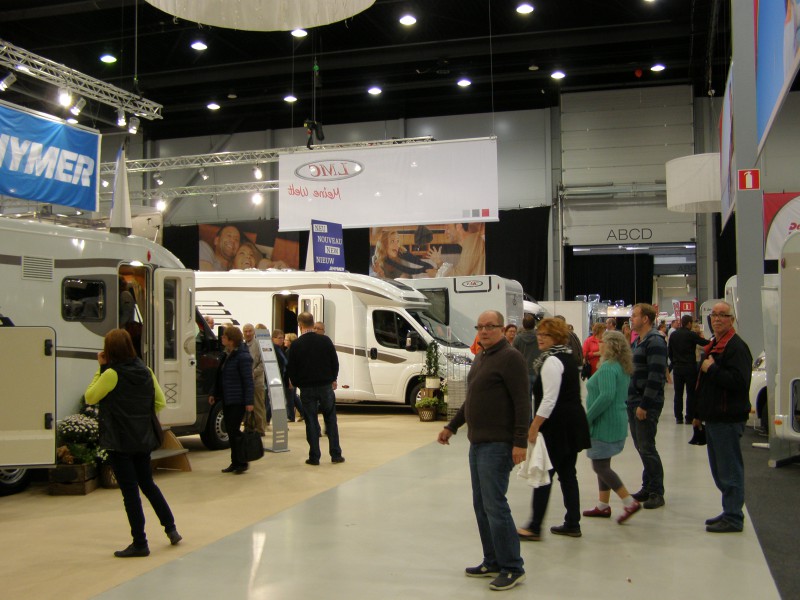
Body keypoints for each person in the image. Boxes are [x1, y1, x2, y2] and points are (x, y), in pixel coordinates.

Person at [437, 310, 529, 591]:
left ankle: (513, 567)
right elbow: (472, 399)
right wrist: (452, 426)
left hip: (498, 445)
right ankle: (492, 560)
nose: (484, 331)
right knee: (482, 506)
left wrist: (520, 442)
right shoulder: (482, 357)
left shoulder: (511, 358)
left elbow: (522, 402)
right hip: (477, 444)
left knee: (495, 506)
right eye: (480, 327)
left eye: (490, 326)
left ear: (502, 329)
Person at [84, 329, 181, 557]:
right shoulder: (146, 371)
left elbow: (90, 397)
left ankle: (140, 543)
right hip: (142, 439)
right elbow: (160, 402)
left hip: (120, 442)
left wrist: (101, 368)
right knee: (148, 485)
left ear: (110, 350)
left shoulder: (111, 374)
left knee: (130, 493)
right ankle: (171, 529)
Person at [517, 317, 591, 541]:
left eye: (545, 335)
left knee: (544, 474)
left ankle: (534, 527)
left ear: (557, 337)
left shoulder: (551, 361)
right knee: (568, 474)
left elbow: (549, 399)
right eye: (539, 334)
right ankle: (572, 523)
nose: (540, 338)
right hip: (572, 422)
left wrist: (534, 425)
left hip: (558, 425)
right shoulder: (567, 357)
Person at [695, 302, 752, 533]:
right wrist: (699, 414)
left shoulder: (736, 347)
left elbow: (739, 382)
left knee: (729, 470)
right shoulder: (716, 345)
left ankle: (734, 516)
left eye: (723, 315)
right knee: (720, 470)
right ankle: (729, 510)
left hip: (728, 418)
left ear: (732, 319)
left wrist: (712, 369)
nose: (717, 319)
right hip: (715, 417)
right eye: (714, 315)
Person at [582, 330, 641, 524]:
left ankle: (628, 501)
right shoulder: (620, 366)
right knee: (603, 463)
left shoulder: (608, 367)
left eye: (602, 342)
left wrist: (588, 418)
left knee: (599, 465)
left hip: (604, 422)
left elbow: (606, 397)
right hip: (615, 419)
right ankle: (603, 505)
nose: (599, 345)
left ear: (611, 346)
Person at [286, 311, 344, 465]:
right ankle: (336, 454)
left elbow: (291, 368)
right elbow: (335, 362)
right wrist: (333, 378)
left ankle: (314, 456)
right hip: (325, 386)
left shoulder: (296, 345)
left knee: (311, 421)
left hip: (307, 389)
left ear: (300, 325)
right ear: (312, 323)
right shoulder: (325, 341)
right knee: (330, 420)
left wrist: (297, 382)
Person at [627, 303, 668, 509]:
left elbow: (656, 376)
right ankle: (648, 486)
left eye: (634, 315)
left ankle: (656, 492)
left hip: (645, 403)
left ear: (645, 319)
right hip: (634, 400)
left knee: (647, 447)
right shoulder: (639, 341)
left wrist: (645, 404)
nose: (631, 319)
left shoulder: (655, 341)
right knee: (641, 447)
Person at [209, 325, 254, 474]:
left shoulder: (243, 356)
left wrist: (249, 402)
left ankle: (241, 462)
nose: (221, 338)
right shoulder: (227, 355)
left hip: (237, 400)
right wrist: (213, 393)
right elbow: (219, 376)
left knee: (234, 431)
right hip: (227, 398)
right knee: (231, 430)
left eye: (224, 336)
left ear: (231, 340)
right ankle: (235, 462)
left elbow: (248, 381)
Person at [668, 314, 709, 425]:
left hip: (677, 368)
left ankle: (678, 417)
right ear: (689, 323)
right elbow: (703, 342)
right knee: (690, 394)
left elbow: (670, 352)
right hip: (690, 368)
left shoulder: (674, 335)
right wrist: (713, 341)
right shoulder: (691, 335)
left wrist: (675, 362)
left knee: (678, 394)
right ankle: (689, 417)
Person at [371, 228, 437, 278]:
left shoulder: (402, 255)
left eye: (397, 241)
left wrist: (428, 269)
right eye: (392, 241)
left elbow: (418, 264)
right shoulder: (377, 259)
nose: (397, 245)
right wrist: (380, 274)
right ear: (384, 245)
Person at [242, 323, 267, 435]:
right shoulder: (242, 345)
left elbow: (263, 363)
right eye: (245, 331)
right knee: (247, 405)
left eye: (250, 331)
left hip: (257, 382)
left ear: (254, 332)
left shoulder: (259, 345)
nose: (248, 333)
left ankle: (260, 429)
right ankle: (249, 426)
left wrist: (253, 373)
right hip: (245, 382)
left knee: (258, 406)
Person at [512, 314, 541, 398]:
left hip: (524, 372)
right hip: (537, 370)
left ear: (523, 324)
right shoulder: (539, 337)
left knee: (526, 398)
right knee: (539, 397)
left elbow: (514, 355)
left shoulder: (517, 338)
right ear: (534, 324)